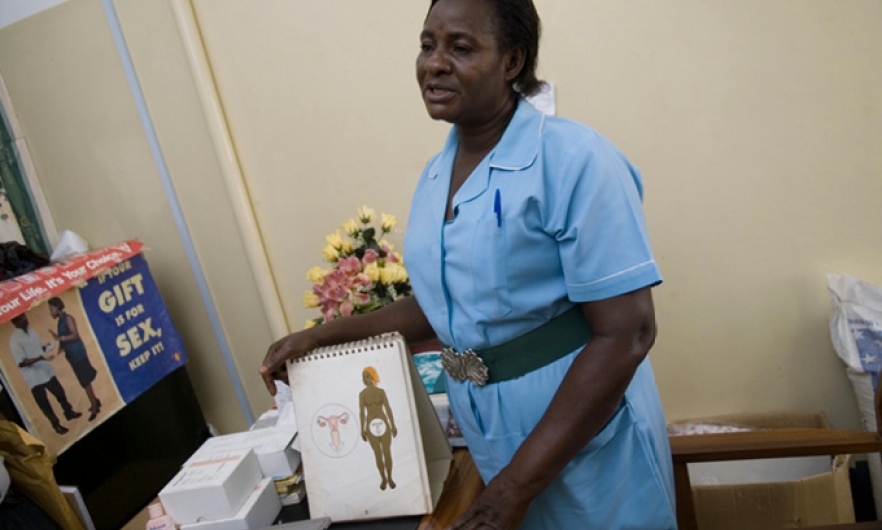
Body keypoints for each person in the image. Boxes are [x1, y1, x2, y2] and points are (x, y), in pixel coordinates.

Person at [261, 0, 676, 527]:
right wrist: (327, 337)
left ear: (511, 61)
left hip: (581, 434)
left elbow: (628, 334)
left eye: (461, 48)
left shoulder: (576, 160)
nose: (434, 63)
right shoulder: (438, 175)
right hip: (490, 429)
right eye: (427, 44)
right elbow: (445, 304)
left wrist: (514, 487)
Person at [8, 313, 80, 435]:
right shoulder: (14, 340)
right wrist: (40, 358)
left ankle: (68, 412)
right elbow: (22, 362)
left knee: (60, 392)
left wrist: (51, 345)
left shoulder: (32, 331)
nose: (25, 319)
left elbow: (41, 348)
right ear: (15, 322)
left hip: (45, 370)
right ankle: (56, 425)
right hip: (33, 377)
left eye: (25, 316)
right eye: (21, 318)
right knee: (45, 404)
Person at [48, 297, 101, 421]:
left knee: (85, 381)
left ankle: (94, 406)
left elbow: (75, 335)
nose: (50, 312)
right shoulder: (60, 320)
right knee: (84, 381)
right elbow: (63, 337)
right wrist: (59, 346)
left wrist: (61, 339)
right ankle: (94, 400)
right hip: (72, 355)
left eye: (51, 309)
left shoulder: (67, 318)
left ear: (57, 307)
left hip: (78, 355)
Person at [358, 366, 398, 491]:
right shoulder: (362, 394)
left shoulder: (381, 392)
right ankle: (383, 478)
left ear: (373, 377)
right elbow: (362, 412)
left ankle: (390, 477)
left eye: (368, 376)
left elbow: (388, 408)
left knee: (387, 452)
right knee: (377, 454)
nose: (366, 379)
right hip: (370, 426)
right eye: (364, 377)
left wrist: (393, 426)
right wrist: (362, 429)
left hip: (384, 424)